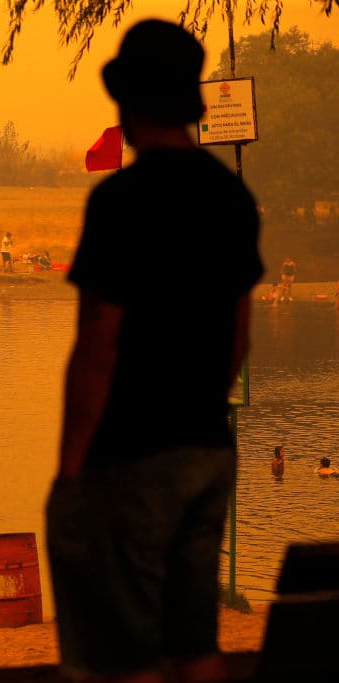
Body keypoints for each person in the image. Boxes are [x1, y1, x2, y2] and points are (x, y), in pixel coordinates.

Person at [46, 20, 263, 683]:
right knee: (195, 641)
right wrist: (200, 407)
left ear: (129, 102)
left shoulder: (120, 202)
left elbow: (97, 349)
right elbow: (239, 335)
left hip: (131, 457)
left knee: (129, 655)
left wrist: (70, 472)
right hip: (208, 450)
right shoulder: (233, 198)